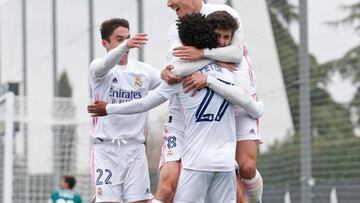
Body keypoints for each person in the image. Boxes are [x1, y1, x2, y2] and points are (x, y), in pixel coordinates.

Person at [87, 13, 263, 203]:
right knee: (165, 190)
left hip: (201, 161)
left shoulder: (208, 70)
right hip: (113, 148)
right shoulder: (195, 72)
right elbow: (255, 108)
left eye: (226, 37)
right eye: (119, 40)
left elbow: (151, 97)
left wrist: (207, 78)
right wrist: (170, 70)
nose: (221, 41)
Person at [162, 1, 264, 203]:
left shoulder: (225, 12)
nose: (168, 3)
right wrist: (165, 72)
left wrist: (202, 54)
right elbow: (176, 64)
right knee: (231, 189)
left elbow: (236, 54)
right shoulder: (176, 29)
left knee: (247, 167)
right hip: (210, 108)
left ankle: (259, 200)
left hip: (240, 101)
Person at [89, 18, 161, 203]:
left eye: (127, 38)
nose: (126, 44)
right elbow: (104, 65)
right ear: (105, 43)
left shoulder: (144, 71)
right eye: (119, 39)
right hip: (106, 150)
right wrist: (125, 45)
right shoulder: (99, 68)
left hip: (135, 150)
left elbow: (169, 83)